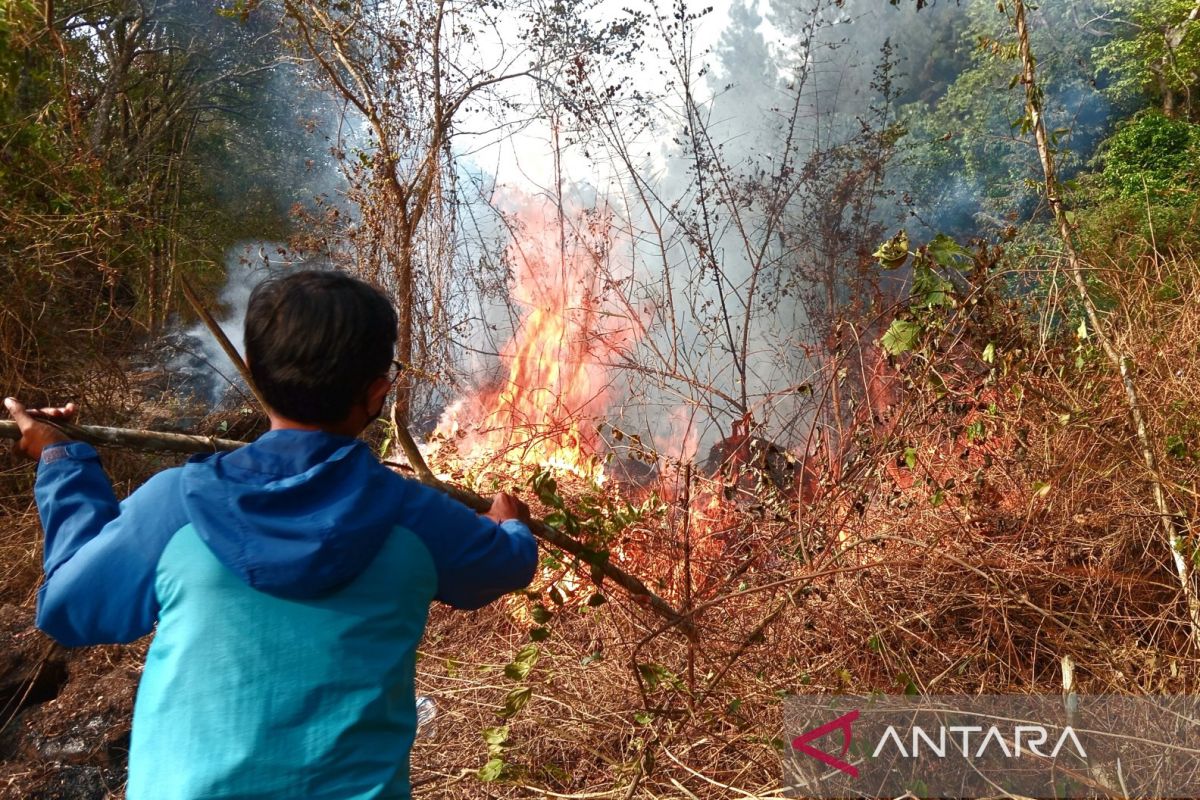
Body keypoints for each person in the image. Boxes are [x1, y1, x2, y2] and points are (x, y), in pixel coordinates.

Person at [4, 270, 537, 800]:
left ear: (256, 373)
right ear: (377, 393)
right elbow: (506, 564)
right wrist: (507, 522)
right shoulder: (418, 518)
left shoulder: (174, 507)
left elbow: (68, 607)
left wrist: (62, 461)